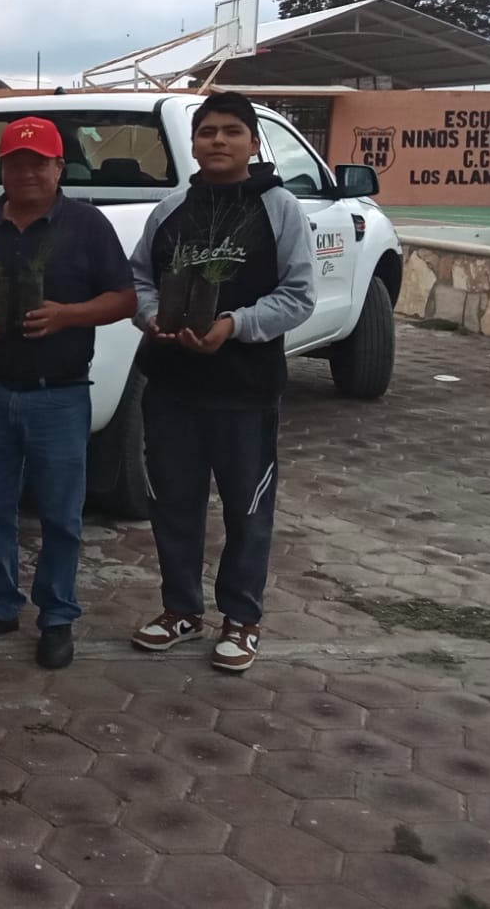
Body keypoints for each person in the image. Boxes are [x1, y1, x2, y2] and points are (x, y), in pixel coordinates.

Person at [0, 116, 137, 670]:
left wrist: (67, 316)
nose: (25, 171)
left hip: (61, 394)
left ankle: (57, 617)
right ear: (1, 168)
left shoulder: (87, 225)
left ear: (58, 167)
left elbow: (124, 299)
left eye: (37, 161)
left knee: (60, 514)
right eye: (14, 162)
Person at [128, 91, 316, 673]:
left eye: (232, 131)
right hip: (172, 388)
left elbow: (299, 295)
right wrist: (151, 317)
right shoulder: (171, 210)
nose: (217, 141)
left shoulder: (279, 208)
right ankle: (181, 611)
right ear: (194, 142)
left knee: (246, 509)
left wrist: (234, 325)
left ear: (253, 142)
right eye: (208, 131)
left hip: (244, 388)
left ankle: (242, 618)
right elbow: (138, 279)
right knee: (174, 505)